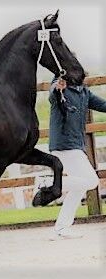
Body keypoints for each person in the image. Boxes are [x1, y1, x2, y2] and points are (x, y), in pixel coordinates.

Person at [38, 73, 106, 240]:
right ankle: (46, 183)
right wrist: (58, 88)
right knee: (92, 181)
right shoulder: (60, 87)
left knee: (80, 186)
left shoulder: (84, 92)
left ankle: (62, 227)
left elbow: (103, 105)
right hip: (64, 145)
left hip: (75, 145)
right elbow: (54, 93)